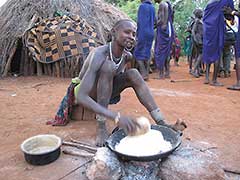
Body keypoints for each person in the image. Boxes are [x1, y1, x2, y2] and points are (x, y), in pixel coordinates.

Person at [48, 19, 187, 146]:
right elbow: (82, 96)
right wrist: (115, 117)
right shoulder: (99, 54)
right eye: (127, 32)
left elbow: (114, 80)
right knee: (108, 67)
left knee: (133, 74)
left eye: (133, 34)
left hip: (105, 90)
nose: (131, 36)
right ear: (114, 32)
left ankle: (161, 122)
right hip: (84, 91)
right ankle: (101, 126)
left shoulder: (127, 56)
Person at [203, 0, 234, 86]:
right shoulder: (225, 1)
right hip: (217, 28)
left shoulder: (209, 3)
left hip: (208, 30)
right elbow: (229, 15)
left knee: (208, 51)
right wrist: (231, 18)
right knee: (217, 52)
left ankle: (207, 77)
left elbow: (204, 18)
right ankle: (214, 80)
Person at [134, 0, 155, 81]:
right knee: (147, 53)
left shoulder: (142, 6)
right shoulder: (152, 7)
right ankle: (146, 73)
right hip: (151, 33)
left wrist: (137, 34)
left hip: (143, 32)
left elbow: (139, 21)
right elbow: (155, 21)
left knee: (137, 53)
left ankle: (143, 73)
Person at [154, 0, 175, 79]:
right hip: (168, 30)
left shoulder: (162, 4)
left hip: (163, 31)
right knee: (166, 51)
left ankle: (161, 74)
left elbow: (162, 20)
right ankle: (167, 73)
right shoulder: (168, 4)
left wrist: (154, 24)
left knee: (160, 51)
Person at [223, 5, 240, 90]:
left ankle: (239, 83)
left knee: (237, 58)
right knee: (227, 55)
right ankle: (226, 71)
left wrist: (233, 12)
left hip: (229, 38)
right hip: (232, 38)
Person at [191, 9, 204, 78]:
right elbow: (193, 31)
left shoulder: (200, 21)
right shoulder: (197, 21)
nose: (202, 14)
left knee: (198, 55)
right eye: (201, 13)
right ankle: (194, 70)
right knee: (200, 55)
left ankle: (197, 71)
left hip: (199, 39)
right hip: (199, 40)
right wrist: (195, 39)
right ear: (198, 14)